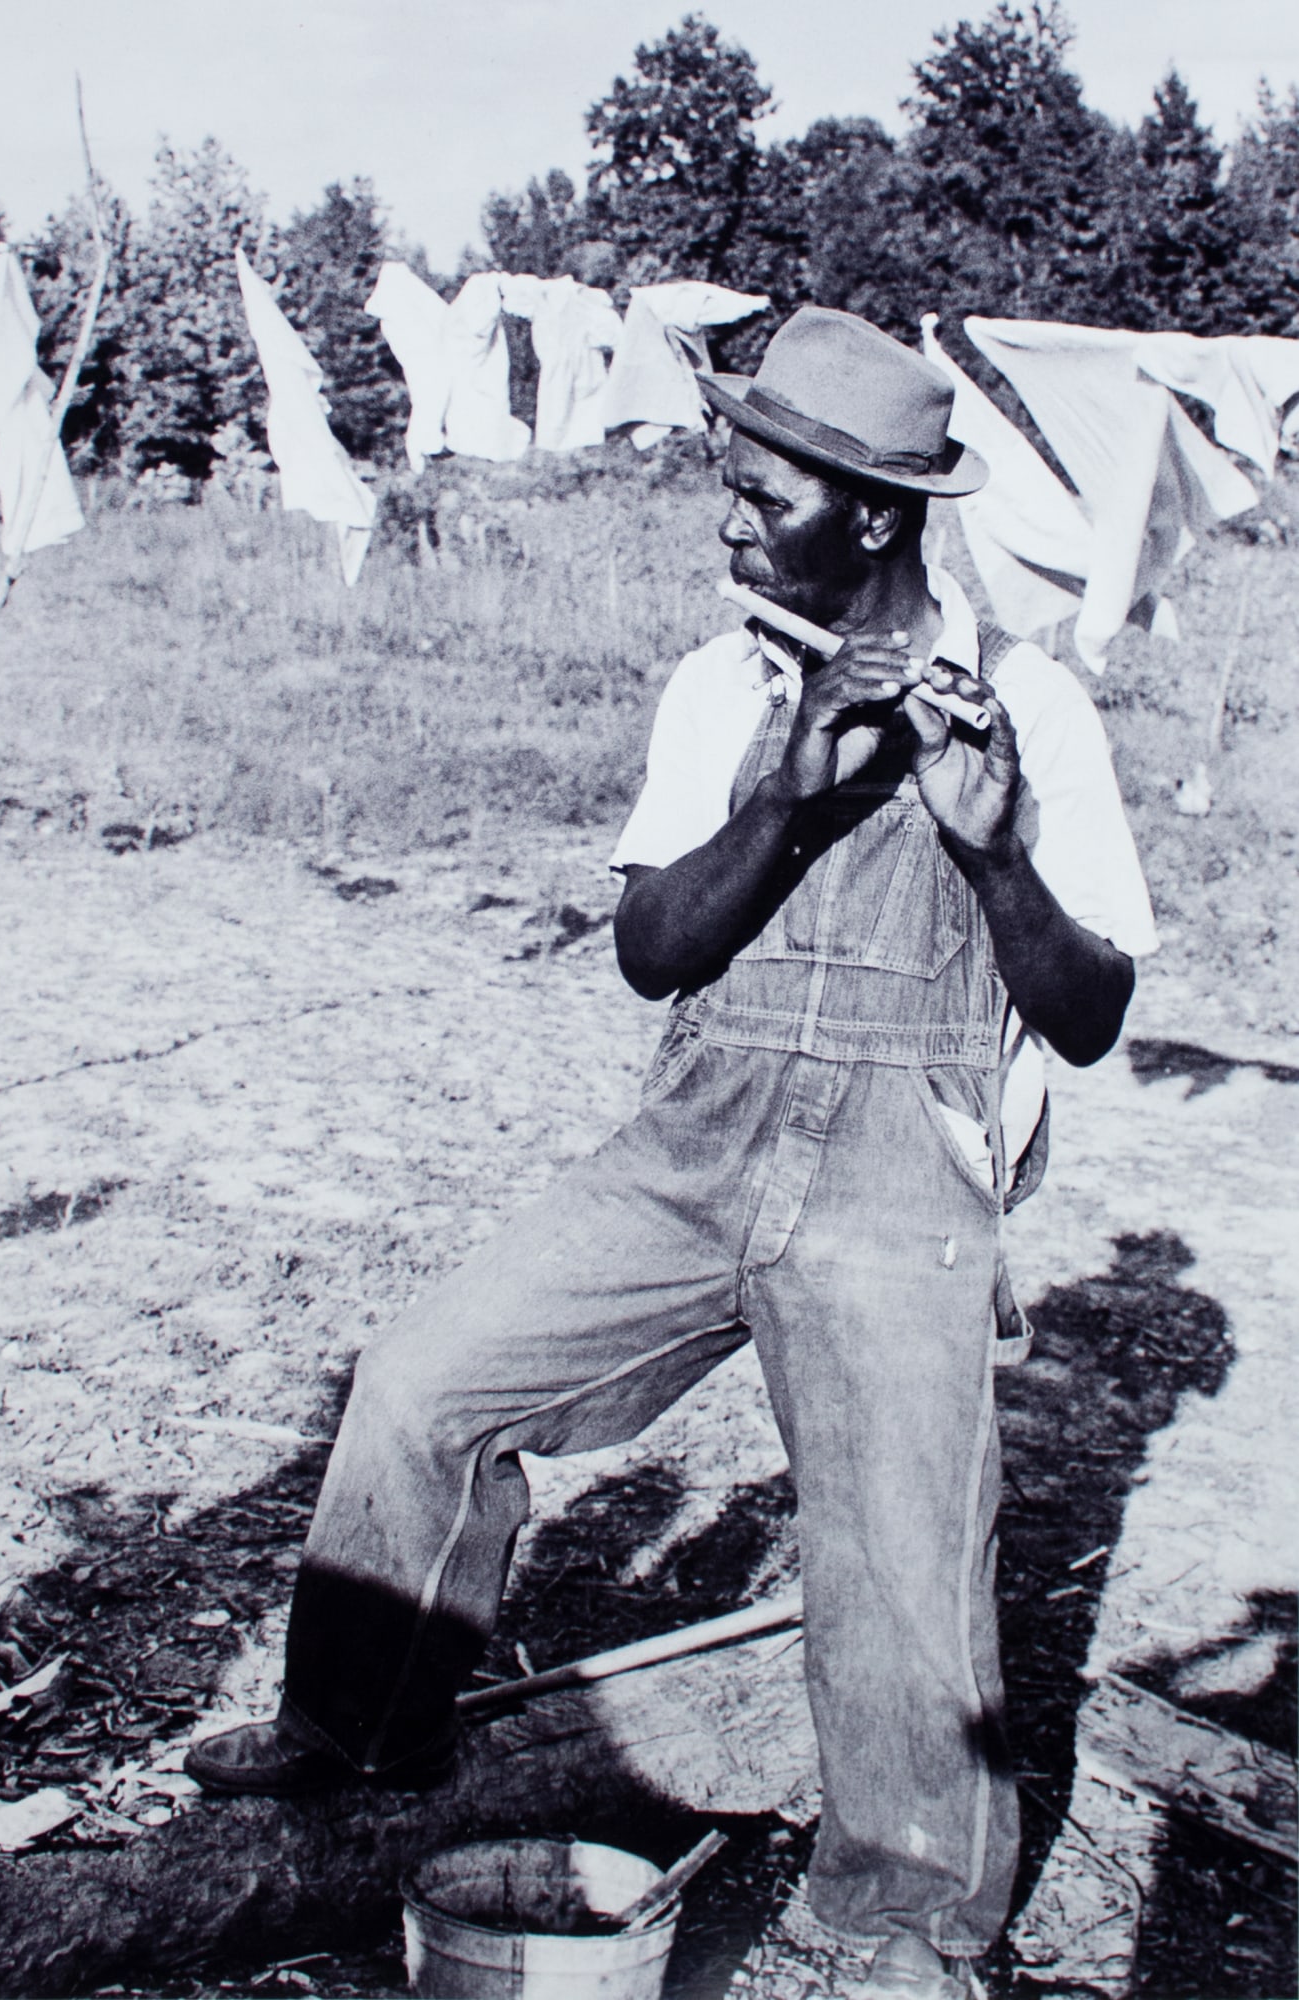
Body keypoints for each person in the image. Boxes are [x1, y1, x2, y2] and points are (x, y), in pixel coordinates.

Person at [185, 308, 1157, 2000]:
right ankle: (361, 1728)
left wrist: (992, 855)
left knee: (900, 1553)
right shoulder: (721, 685)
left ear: (873, 512)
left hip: (899, 1171)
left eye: (761, 495)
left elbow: (1086, 1017)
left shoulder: (1032, 703)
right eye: (729, 480)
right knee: (423, 1382)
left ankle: (906, 1915)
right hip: (694, 1144)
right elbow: (653, 952)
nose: (727, 518)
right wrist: (786, 802)